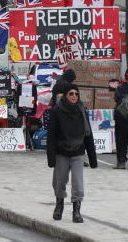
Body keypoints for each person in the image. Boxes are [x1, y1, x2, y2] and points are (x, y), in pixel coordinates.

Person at [46, 83, 98, 223]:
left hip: (78, 152)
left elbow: (88, 135)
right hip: (61, 151)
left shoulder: (81, 111)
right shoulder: (57, 111)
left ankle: (76, 210)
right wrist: (51, 157)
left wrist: (93, 158)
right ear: (65, 95)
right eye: (71, 94)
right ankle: (59, 205)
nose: (74, 96)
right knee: (59, 181)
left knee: (78, 182)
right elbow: (51, 135)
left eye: (76, 94)